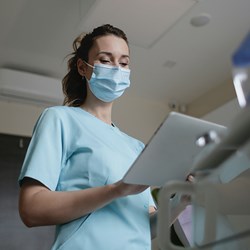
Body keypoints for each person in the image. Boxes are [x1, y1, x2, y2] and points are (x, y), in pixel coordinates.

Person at [18, 24, 157, 250]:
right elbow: (31, 209)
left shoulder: (137, 147)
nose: (117, 69)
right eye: (105, 60)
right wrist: (117, 190)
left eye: (123, 63)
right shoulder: (60, 119)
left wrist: (182, 200)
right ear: (83, 67)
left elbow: (146, 228)